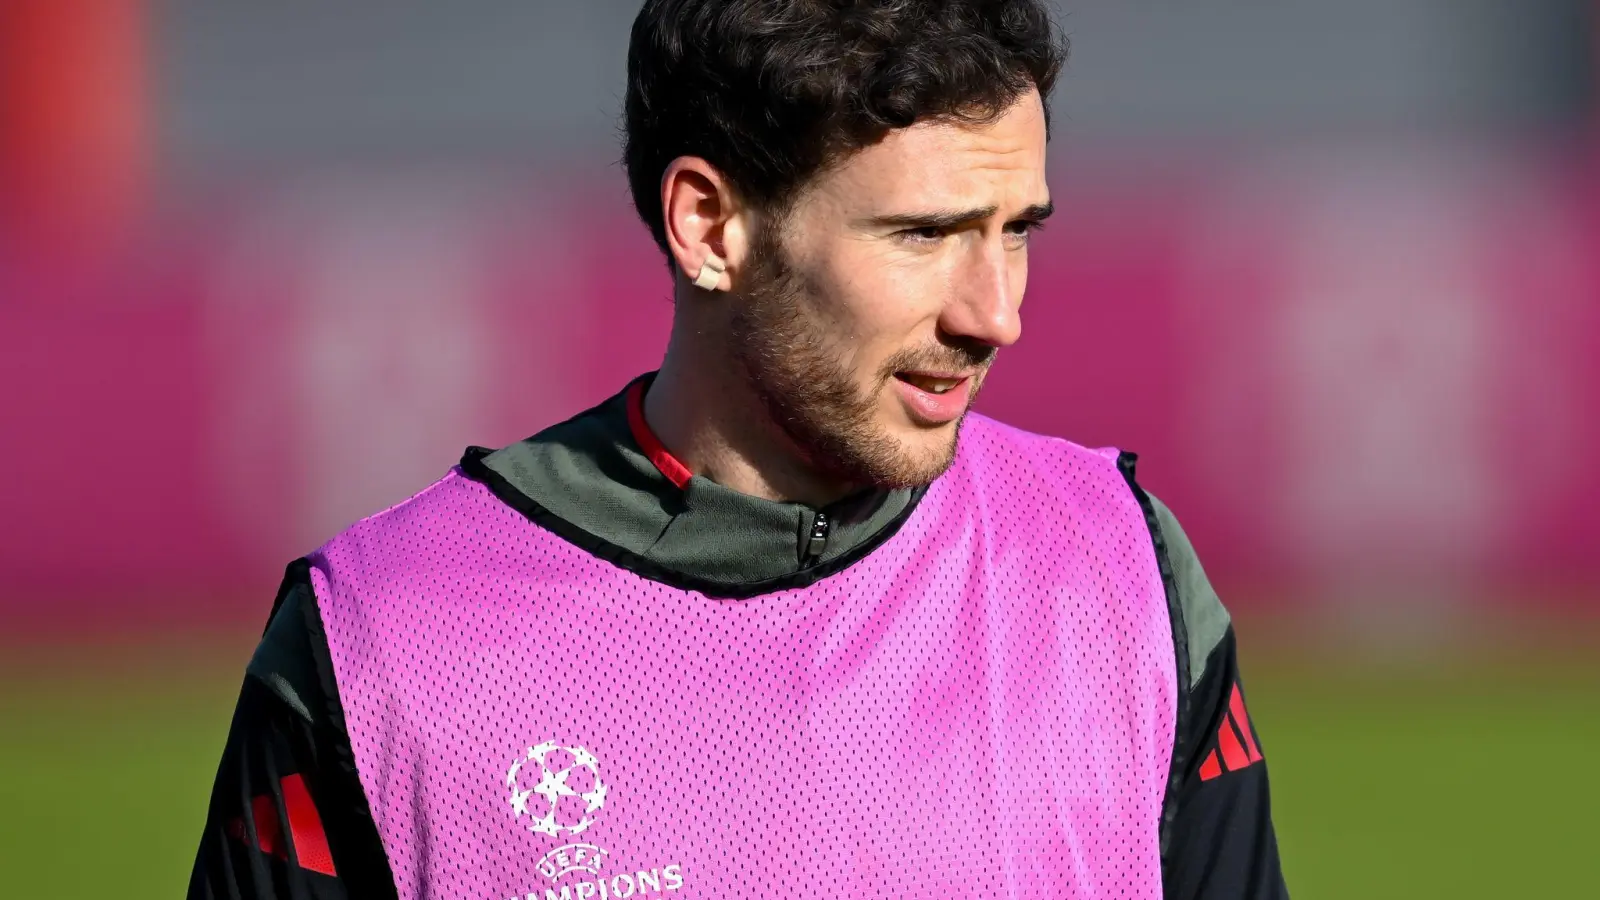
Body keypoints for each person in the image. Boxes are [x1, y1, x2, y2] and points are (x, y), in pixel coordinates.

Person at [189, 1, 1289, 897]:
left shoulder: (1116, 574)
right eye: (922, 235)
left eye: (1016, 230)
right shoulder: (381, 645)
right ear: (710, 227)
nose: (994, 314)